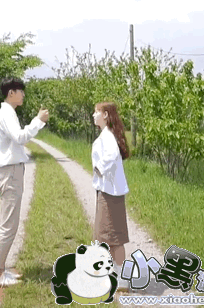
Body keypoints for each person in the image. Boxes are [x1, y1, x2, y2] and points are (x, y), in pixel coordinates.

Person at [0, 77, 49, 287]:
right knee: (8, 226)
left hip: (11, 172)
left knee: (10, 224)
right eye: (21, 91)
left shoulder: (7, 113)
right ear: (11, 93)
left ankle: (1, 269)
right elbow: (20, 137)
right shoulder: (6, 113)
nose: (23, 95)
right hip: (9, 173)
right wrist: (38, 121)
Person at [92, 101, 130, 292]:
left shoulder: (108, 136)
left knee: (113, 236)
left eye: (96, 112)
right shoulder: (106, 134)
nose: (93, 115)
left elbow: (112, 155)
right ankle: (111, 275)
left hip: (110, 193)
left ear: (105, 115)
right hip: (106, 191)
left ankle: (121, 279)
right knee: (105, 235)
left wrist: (99, 170)